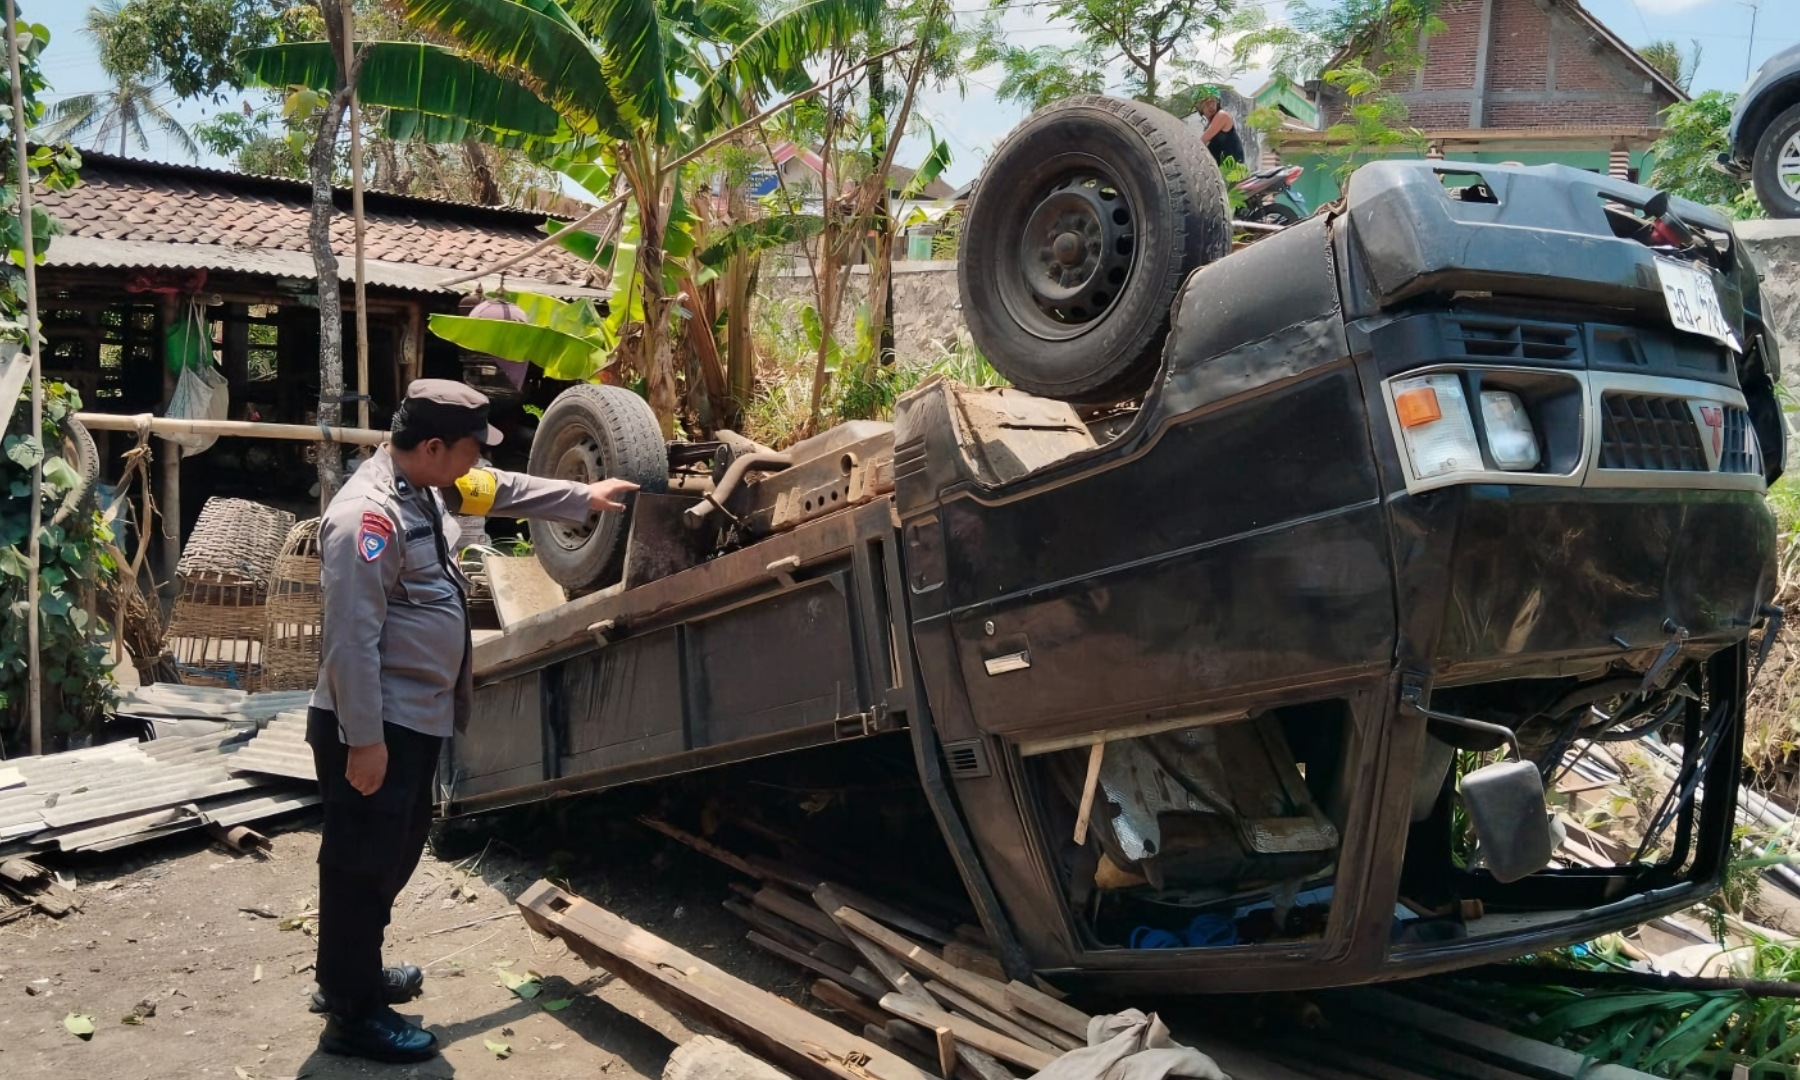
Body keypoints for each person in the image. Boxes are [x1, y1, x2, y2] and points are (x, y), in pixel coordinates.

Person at [306, 379, 639, 1063]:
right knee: (360, 865)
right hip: (378, 726)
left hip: (414, 720)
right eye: (468, 450)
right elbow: (349, 642)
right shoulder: (365, 519)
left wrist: (583, 498)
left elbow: (503, 489)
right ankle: (352, 1014)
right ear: (433, 445)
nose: (475, 463)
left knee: (390, 856)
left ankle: (352, 972)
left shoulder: (430, 485)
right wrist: (364, 743)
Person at [1197, 92, 1244, 168]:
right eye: (1206, 103)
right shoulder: (1209, 124)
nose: (1211, 106)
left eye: (1213, 102)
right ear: (1200, 108)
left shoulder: (1222, 115)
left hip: (1232, 169)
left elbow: (1202, 141)